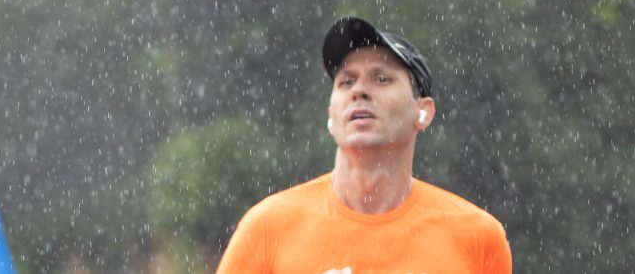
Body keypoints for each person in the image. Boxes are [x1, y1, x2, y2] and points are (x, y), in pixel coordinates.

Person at [217, 17, 512, 273]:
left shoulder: (477, 236)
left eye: (381, 79)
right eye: (346, 82)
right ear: (331, 115)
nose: (359, 90)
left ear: (423, 111)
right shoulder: (267, 229)